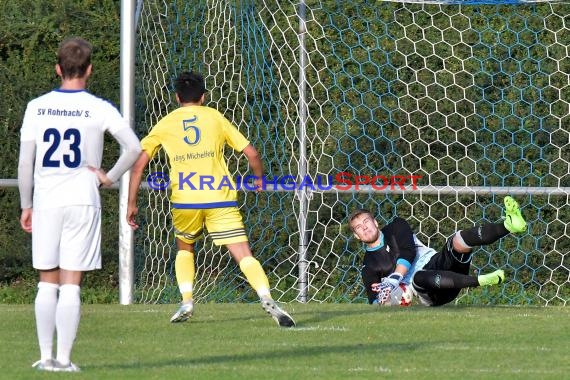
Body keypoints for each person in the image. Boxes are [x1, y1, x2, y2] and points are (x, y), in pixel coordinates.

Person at [126, 71, 295, 327]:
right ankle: (266, 297)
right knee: (243, 253)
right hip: (220, 197)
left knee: (185, 247)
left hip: (185, 199)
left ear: (176, 97)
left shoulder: (166, 123)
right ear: (203, 96)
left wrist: (131, 203)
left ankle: (186, 300)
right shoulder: (215, 117)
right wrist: (259, 180)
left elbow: (138, 166)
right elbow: (252, 153)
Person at [17, 37, 141, 372]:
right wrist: (107, 176)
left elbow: (25, 163)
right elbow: (133, 147)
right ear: (89, 69)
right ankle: (66, 360)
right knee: (71, 282)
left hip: (46, 200)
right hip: (83, 200)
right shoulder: (99, 107)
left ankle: (45, 358)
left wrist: (26, 204)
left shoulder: (36, 106)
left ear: (58, 68)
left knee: (47, 280)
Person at [348, 196, 527, 306]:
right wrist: (392, 298)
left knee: (458, 239)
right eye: (358, 227)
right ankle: (480, 281)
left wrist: (394, 278)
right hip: (430, 293)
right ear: (356, 236)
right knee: (418, 277)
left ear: (375, 222)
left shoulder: (396, 226)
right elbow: (374, 301)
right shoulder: (369, 265)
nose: (364, 228)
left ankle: (508, 225)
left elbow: (408, 252)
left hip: (440, 265)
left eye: (366, 222)